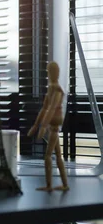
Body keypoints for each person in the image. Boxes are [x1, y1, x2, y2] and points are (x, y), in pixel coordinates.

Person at [27, 61, 69, 191]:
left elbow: (52, 108)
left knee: (47, 156)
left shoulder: (57, 89)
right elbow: (44, 108)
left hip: (54, 125)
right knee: (58, 155)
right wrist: (36, 125)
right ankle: (65, 184)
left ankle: (49, 185)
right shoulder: (51, 88)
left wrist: (43, 126)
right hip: (52, 126)